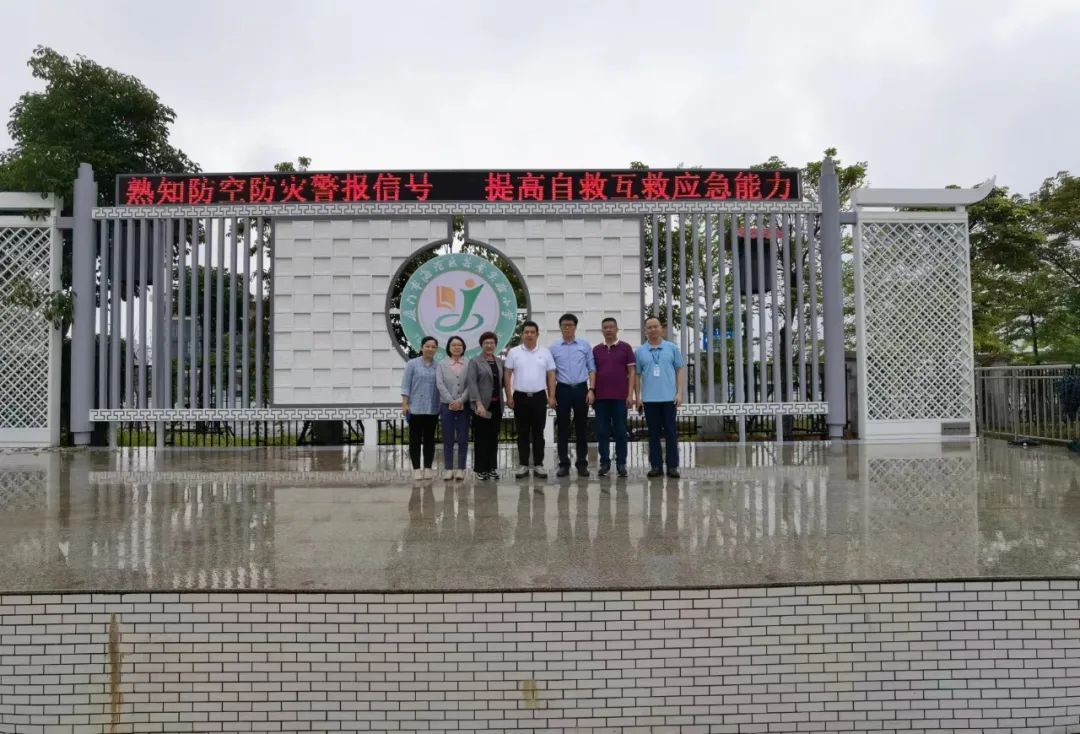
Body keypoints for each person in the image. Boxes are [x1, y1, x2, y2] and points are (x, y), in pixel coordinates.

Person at [504, 320, 556, 479]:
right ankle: (523, 465)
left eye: (532, 332)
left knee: (539, 433)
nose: (529, 335)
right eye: (526, 332)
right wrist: (509, 396)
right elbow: (507, 374)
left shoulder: (545, 352)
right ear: (522, 334)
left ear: (537, 334)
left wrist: (551, 396)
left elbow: (551, 375)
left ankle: (539, 464)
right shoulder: (514, 352)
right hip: (520, 397)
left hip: (539, 397)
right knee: (522, 433)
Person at [635, 316, 685, 478]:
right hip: (649, 400)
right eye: (649, 327)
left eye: (655, 326)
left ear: (661, 329)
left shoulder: (672, 348)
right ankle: (655, 466)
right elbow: (637, 375)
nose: (653, 330)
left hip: (669, 399)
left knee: (671, 433)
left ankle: (672, 466)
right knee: (653, 434)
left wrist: (679, 393)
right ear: (645, 331)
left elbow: (680, 370)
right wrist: (638, 397)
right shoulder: (640, 351)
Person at [549, 313, 596, 478]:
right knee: (562, 428)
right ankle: (564, 464)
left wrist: (591, 390)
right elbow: (551, 373)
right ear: (560, 327)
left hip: (581, 389)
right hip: (562, 389)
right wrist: (551, 395)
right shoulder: (554, 348)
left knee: (581, 427)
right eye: (564, 325)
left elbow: (592, 369)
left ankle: (582, 463)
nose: (567, 328)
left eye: (570, 325)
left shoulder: (584, 345)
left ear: (575, 327)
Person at [592, 317, 636, 478]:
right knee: (602, 431)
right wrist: (591, 391)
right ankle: (604, 463)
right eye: (605, 327)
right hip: (601, 398)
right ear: (602, 330)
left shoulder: (626, 348)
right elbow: (592, 372)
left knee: (621, 431)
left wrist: (630, 394)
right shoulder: (596, 350)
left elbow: (632, 372)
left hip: (620, 397)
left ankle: (621, 463)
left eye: (611, 327)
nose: (608, 330)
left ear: (617, 329)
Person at [466, 331, 506, 480]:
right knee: (481, 438)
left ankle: (492, 468)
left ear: (495, 345)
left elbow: (501, 383)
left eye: (492, 343)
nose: (489, 345)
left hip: (496, 405)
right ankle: (481, 469)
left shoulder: (499, 361)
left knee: (493, 438)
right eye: (486, 343)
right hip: (482, 406)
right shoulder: (475, 361)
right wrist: (478, 403)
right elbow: (472, 383)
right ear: (481, 345)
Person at [401, 336, 440, 480]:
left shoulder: (439, 366)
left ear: (436, 349)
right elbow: (406, 385)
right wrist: (405, 404)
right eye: (427, 346)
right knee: (415, 440)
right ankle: (416, 469)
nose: (430, 349)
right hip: (415, 408)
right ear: (422, 347)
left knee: (430, 439)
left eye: (433, 347)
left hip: (432, 408)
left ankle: (428, 468)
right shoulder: (412, 364)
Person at [436, 335, 470, 481]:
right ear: (449, 348)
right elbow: (440, 384)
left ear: (463, 348)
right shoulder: (441, 364)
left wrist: (461, 400)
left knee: (463, 438)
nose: (457, 347)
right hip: (446, 406)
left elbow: (471, 384)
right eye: (453, 345)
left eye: (459, 345)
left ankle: (461, 469)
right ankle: (448, 469)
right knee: (448, 438)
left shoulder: (469, 363)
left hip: (464, 406)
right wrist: (451, 401)